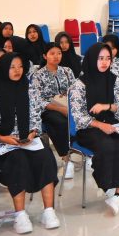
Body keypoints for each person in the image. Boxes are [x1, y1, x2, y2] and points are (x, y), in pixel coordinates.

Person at [0, 52, 60, 233]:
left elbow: (35, 116)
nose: (17, 70)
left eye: (20, 66)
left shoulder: (29, 90)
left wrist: (32, 133)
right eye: (12, 67)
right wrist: (2, 137)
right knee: (18, 160)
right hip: (3, 142)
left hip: (27, 138)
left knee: (45, 156)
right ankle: (20, 215)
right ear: (3, 69)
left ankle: (48, 211)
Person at [69, 44, 119, 215]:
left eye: (108, 58)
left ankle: (118, 194)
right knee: (107, 145)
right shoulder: (79, 84)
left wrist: (106, 106)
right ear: (92, 59)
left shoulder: (114, 79)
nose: (105, 62)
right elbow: (78, 117)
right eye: (101, 58)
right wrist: (101, 125)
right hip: (88, 128)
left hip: (112, 122)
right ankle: (108, 185)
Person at [30, 44, 77, 180]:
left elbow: (75, 91)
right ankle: (66, 158)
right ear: (45, 56)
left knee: (84, 118)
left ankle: (86, 152)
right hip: (47, 109)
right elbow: (38, 100)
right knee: (59, 122)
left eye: (59, 53)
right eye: (52, 53)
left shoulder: (67, 71)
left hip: (68, 106)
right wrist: (60, 109)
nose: (56, 56)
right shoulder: (38, 75)